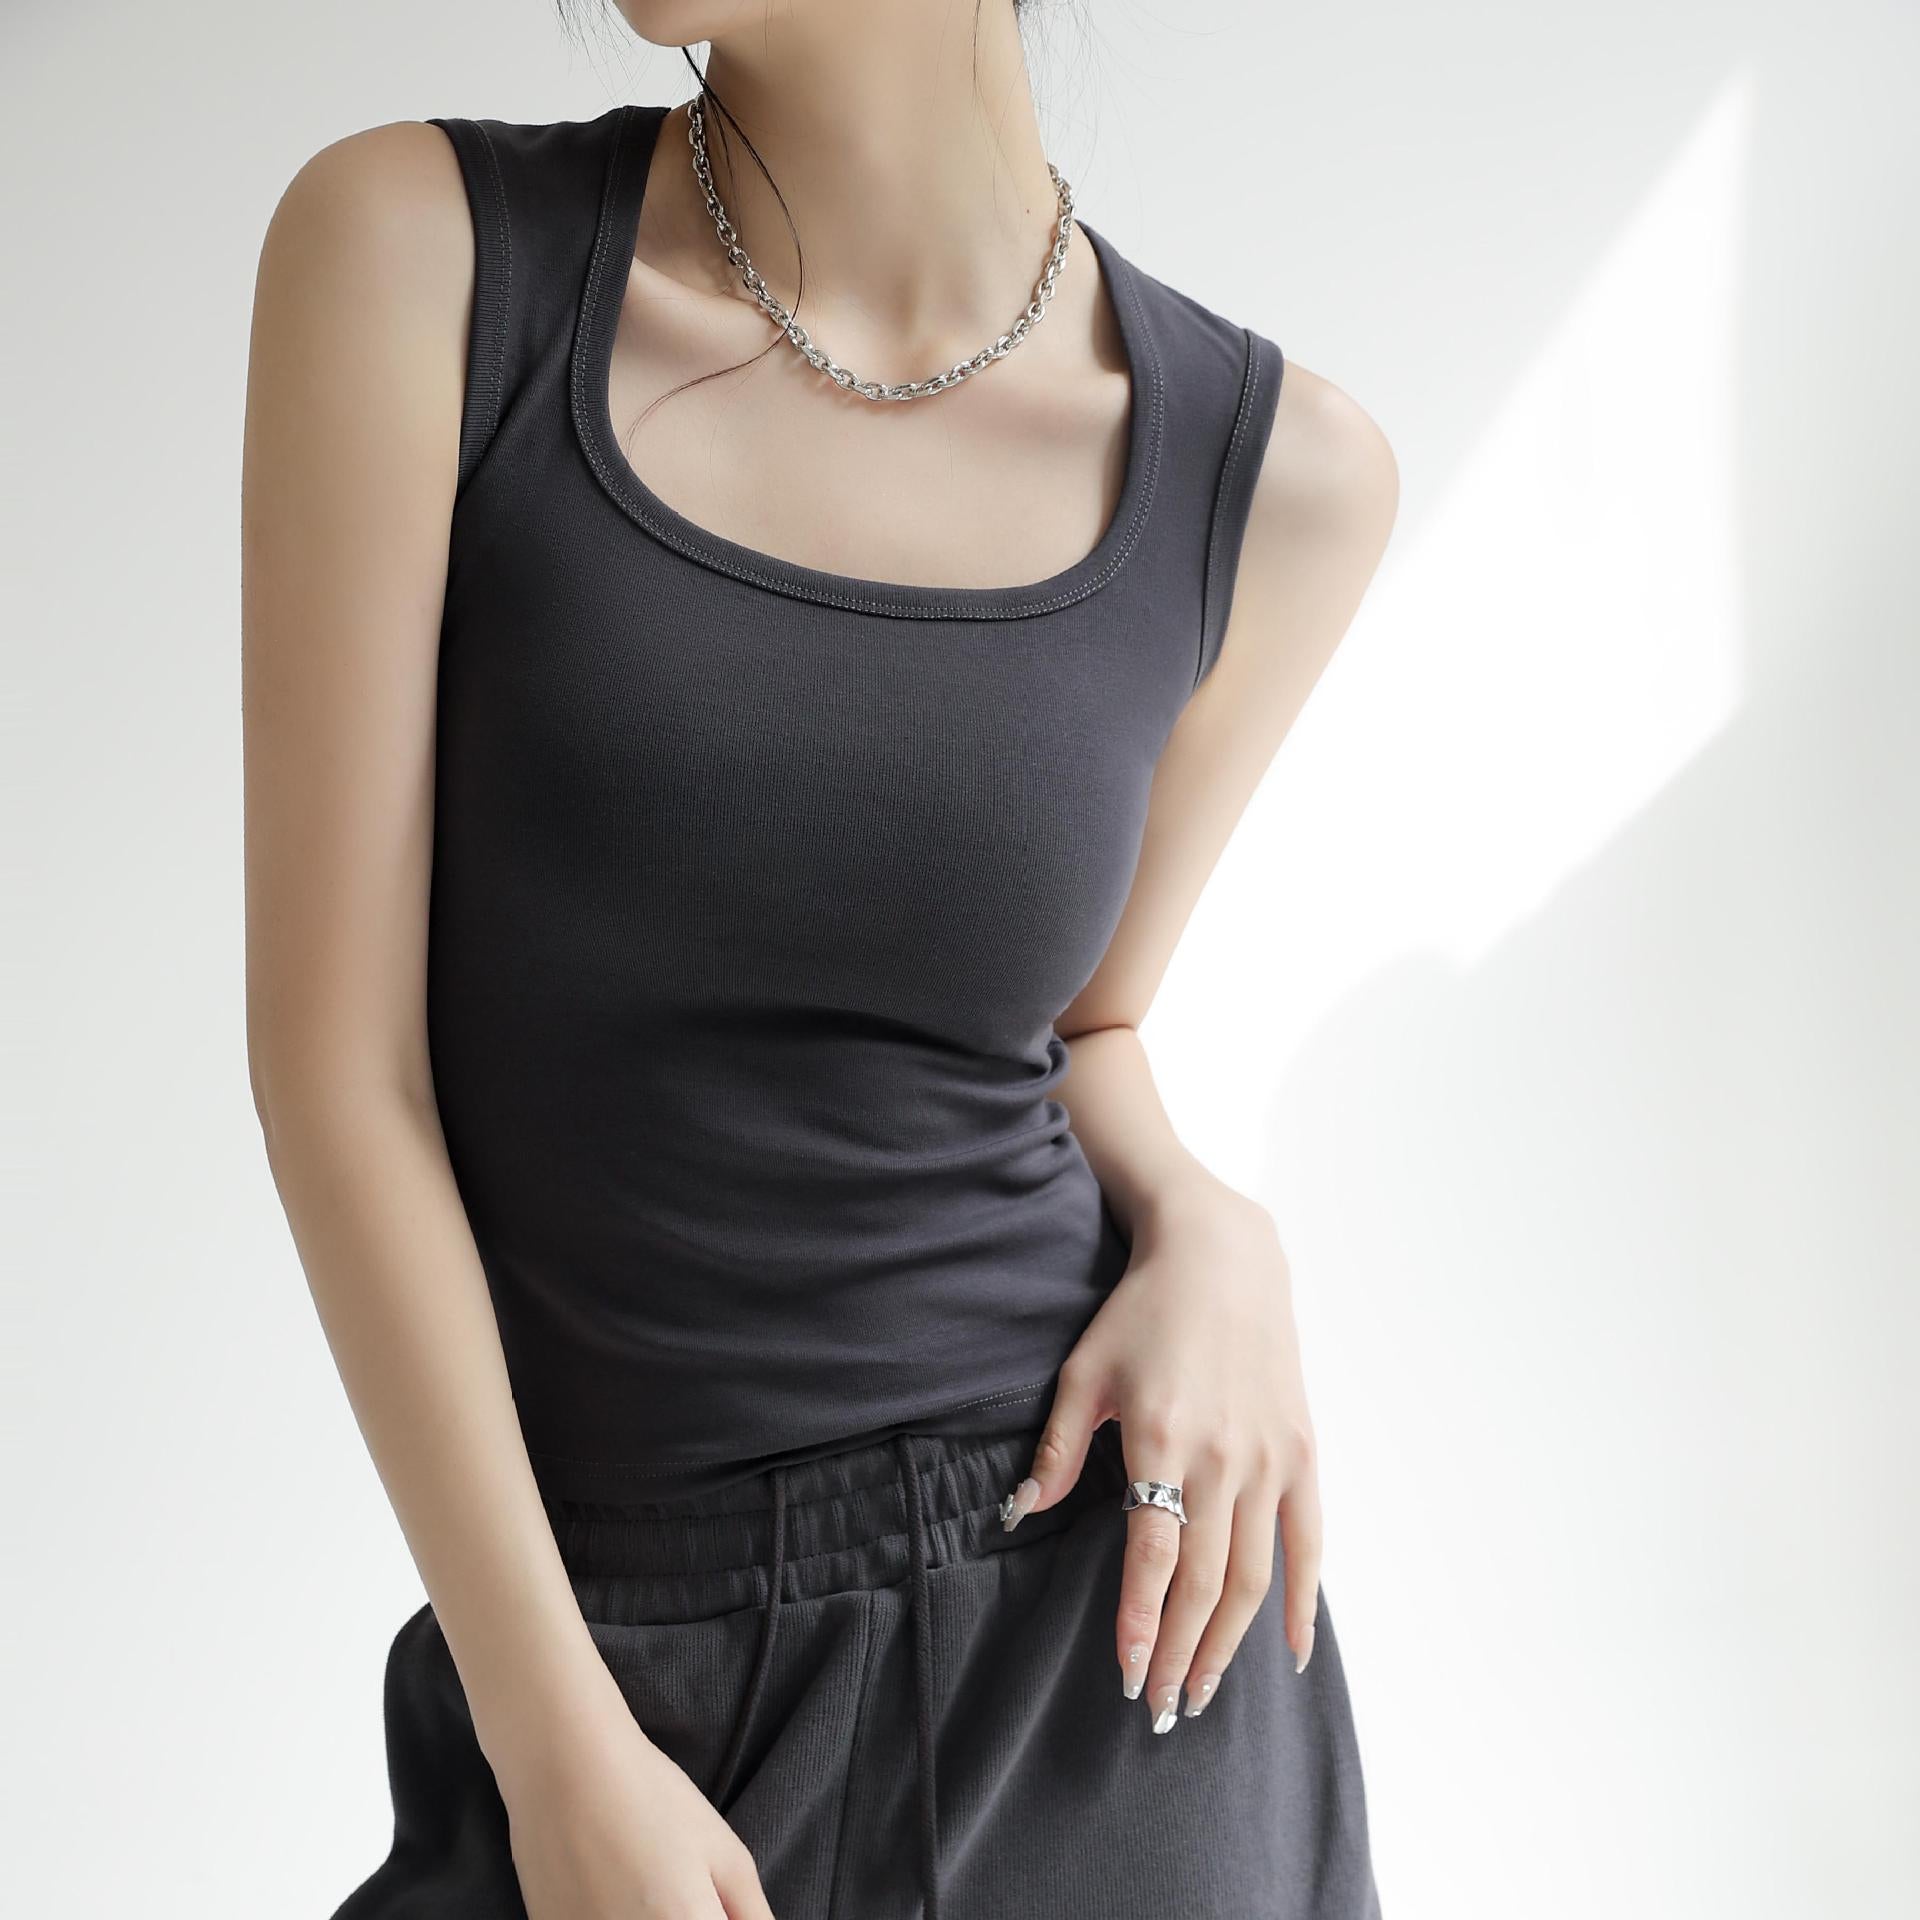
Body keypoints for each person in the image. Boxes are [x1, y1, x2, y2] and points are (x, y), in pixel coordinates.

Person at [242, 6, 1398, 1916]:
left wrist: (1209, 1220)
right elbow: (338, 1074)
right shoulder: (426, 259)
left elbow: (1081, 1020)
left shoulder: (1274, 477)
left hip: (1103, 1665)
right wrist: (554, 1741)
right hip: (607, 1659)